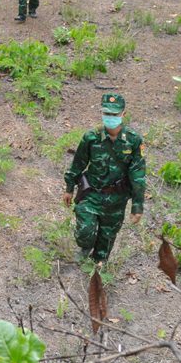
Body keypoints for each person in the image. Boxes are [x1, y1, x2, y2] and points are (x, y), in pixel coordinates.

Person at [62, 94, 146, 267]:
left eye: (115, 115)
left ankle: (98, 265)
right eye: (107, 113)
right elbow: (78, 163)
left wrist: (137, 206)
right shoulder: (91, 137)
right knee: (85, 231)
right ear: (101, 113)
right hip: (91, 194)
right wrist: (69, 187)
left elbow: (137, 174)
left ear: (123, 114)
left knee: (106, 241)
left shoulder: (133, 140)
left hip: (116, 199)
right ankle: (85, 248)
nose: (111, 118)